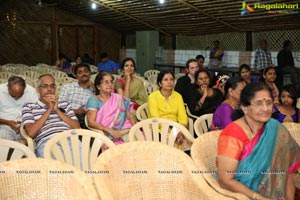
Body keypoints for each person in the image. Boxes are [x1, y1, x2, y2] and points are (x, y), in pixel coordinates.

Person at [217, 82, 299, 199]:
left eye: (269, 103)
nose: (265, 109)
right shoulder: (233, 134)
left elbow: (288, 169)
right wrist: (258, 197)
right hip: (238, 195)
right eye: (259, 104)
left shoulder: (275, 128)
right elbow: (225, 180)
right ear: (245, 108)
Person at [22, 74, 80, 157]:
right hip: (47, 142)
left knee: (83, 166)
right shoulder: (29, 107)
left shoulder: (64, 104)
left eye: (52, 86)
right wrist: (49, 109)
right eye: (45, 86)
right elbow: (31, 132)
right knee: (54, 168)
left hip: (70, 139)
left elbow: (76, 127)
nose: (49, 89)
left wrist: (57, 110)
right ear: (38, 89)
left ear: (55, 89)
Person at [86, 71, 136, 145]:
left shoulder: (117, 98)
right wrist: (110, 131)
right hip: (107, 134)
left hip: (126, 131)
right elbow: (91, 122)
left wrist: (136, 128)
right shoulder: (94, 100)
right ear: (98, 86)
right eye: (106, 82)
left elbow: (129, 115)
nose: (110, 84)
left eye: (111, 82)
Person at [148, 70, 189, 150]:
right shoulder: (153, 97)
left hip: (177, 128)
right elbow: (156, 119)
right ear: (160, 83)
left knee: (189, 145)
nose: (169, 82)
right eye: (166, 80)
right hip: (159, 129)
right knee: (171, 144)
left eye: (171, 79)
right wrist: (172, 131)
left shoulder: (178, 96)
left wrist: (180, 130)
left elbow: (183, 117)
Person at [0, 76, 38, 141]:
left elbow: (36, 113)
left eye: (20, 95)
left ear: (24, 89)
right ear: (8, 88)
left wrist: (25, 125)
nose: (16, 98)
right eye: (13, 95)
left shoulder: (31, 92)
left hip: (26, 127)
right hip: (5, 127)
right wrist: (7, 122)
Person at [59, 63, 94, 128]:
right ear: (76, 76)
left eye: (86, 71)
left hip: (88, 121)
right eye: (80, 72)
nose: (84, 74)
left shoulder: (95, 90)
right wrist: (76, 111)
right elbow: (60, 107)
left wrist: (95, 89)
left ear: (90, 73)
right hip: (69, 117)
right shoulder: (68, 87)